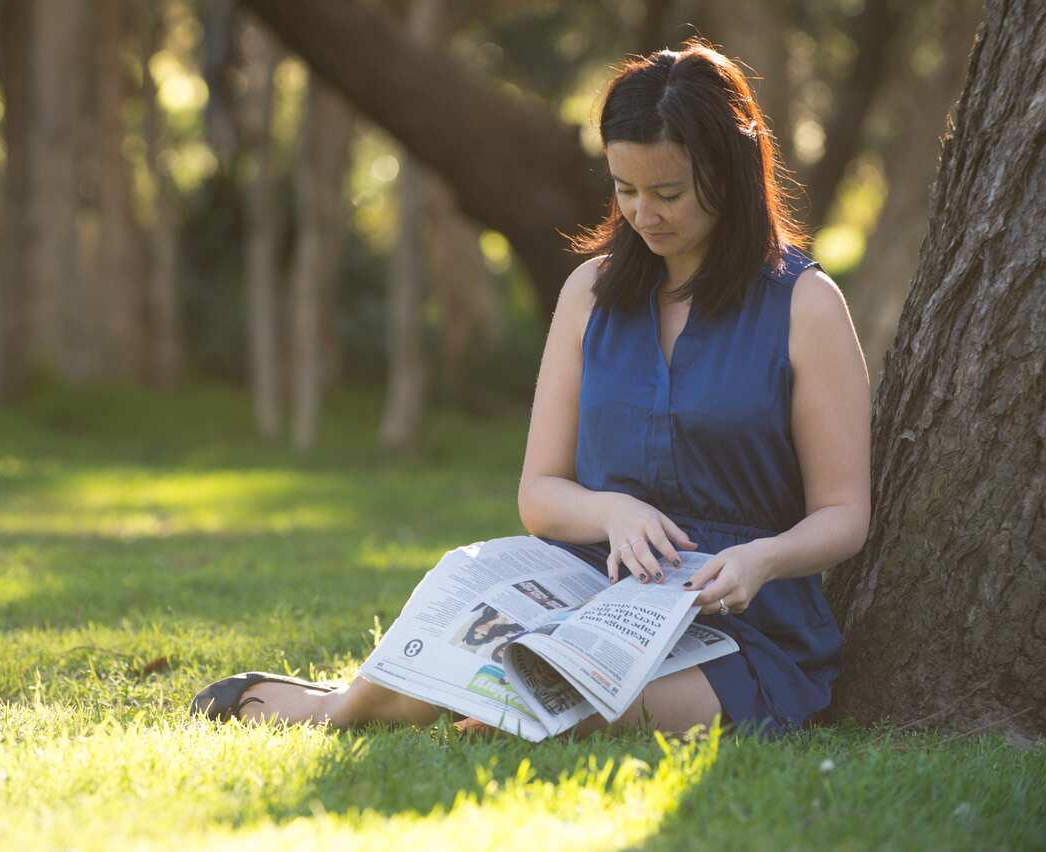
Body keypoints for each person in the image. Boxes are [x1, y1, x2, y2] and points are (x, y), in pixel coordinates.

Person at [191, 38, 870, 737]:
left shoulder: (806, 305)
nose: (644, 214)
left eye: (667, 193)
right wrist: (612, 512)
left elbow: (844, 513)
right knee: (419, 694)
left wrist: (762, 560)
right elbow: (540, 496)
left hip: (742, 622)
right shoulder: (590, 293)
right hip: (592, 592)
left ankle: (470, 711)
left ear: (728, 172)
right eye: (625, 190)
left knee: (556, 708)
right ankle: (337, 706)